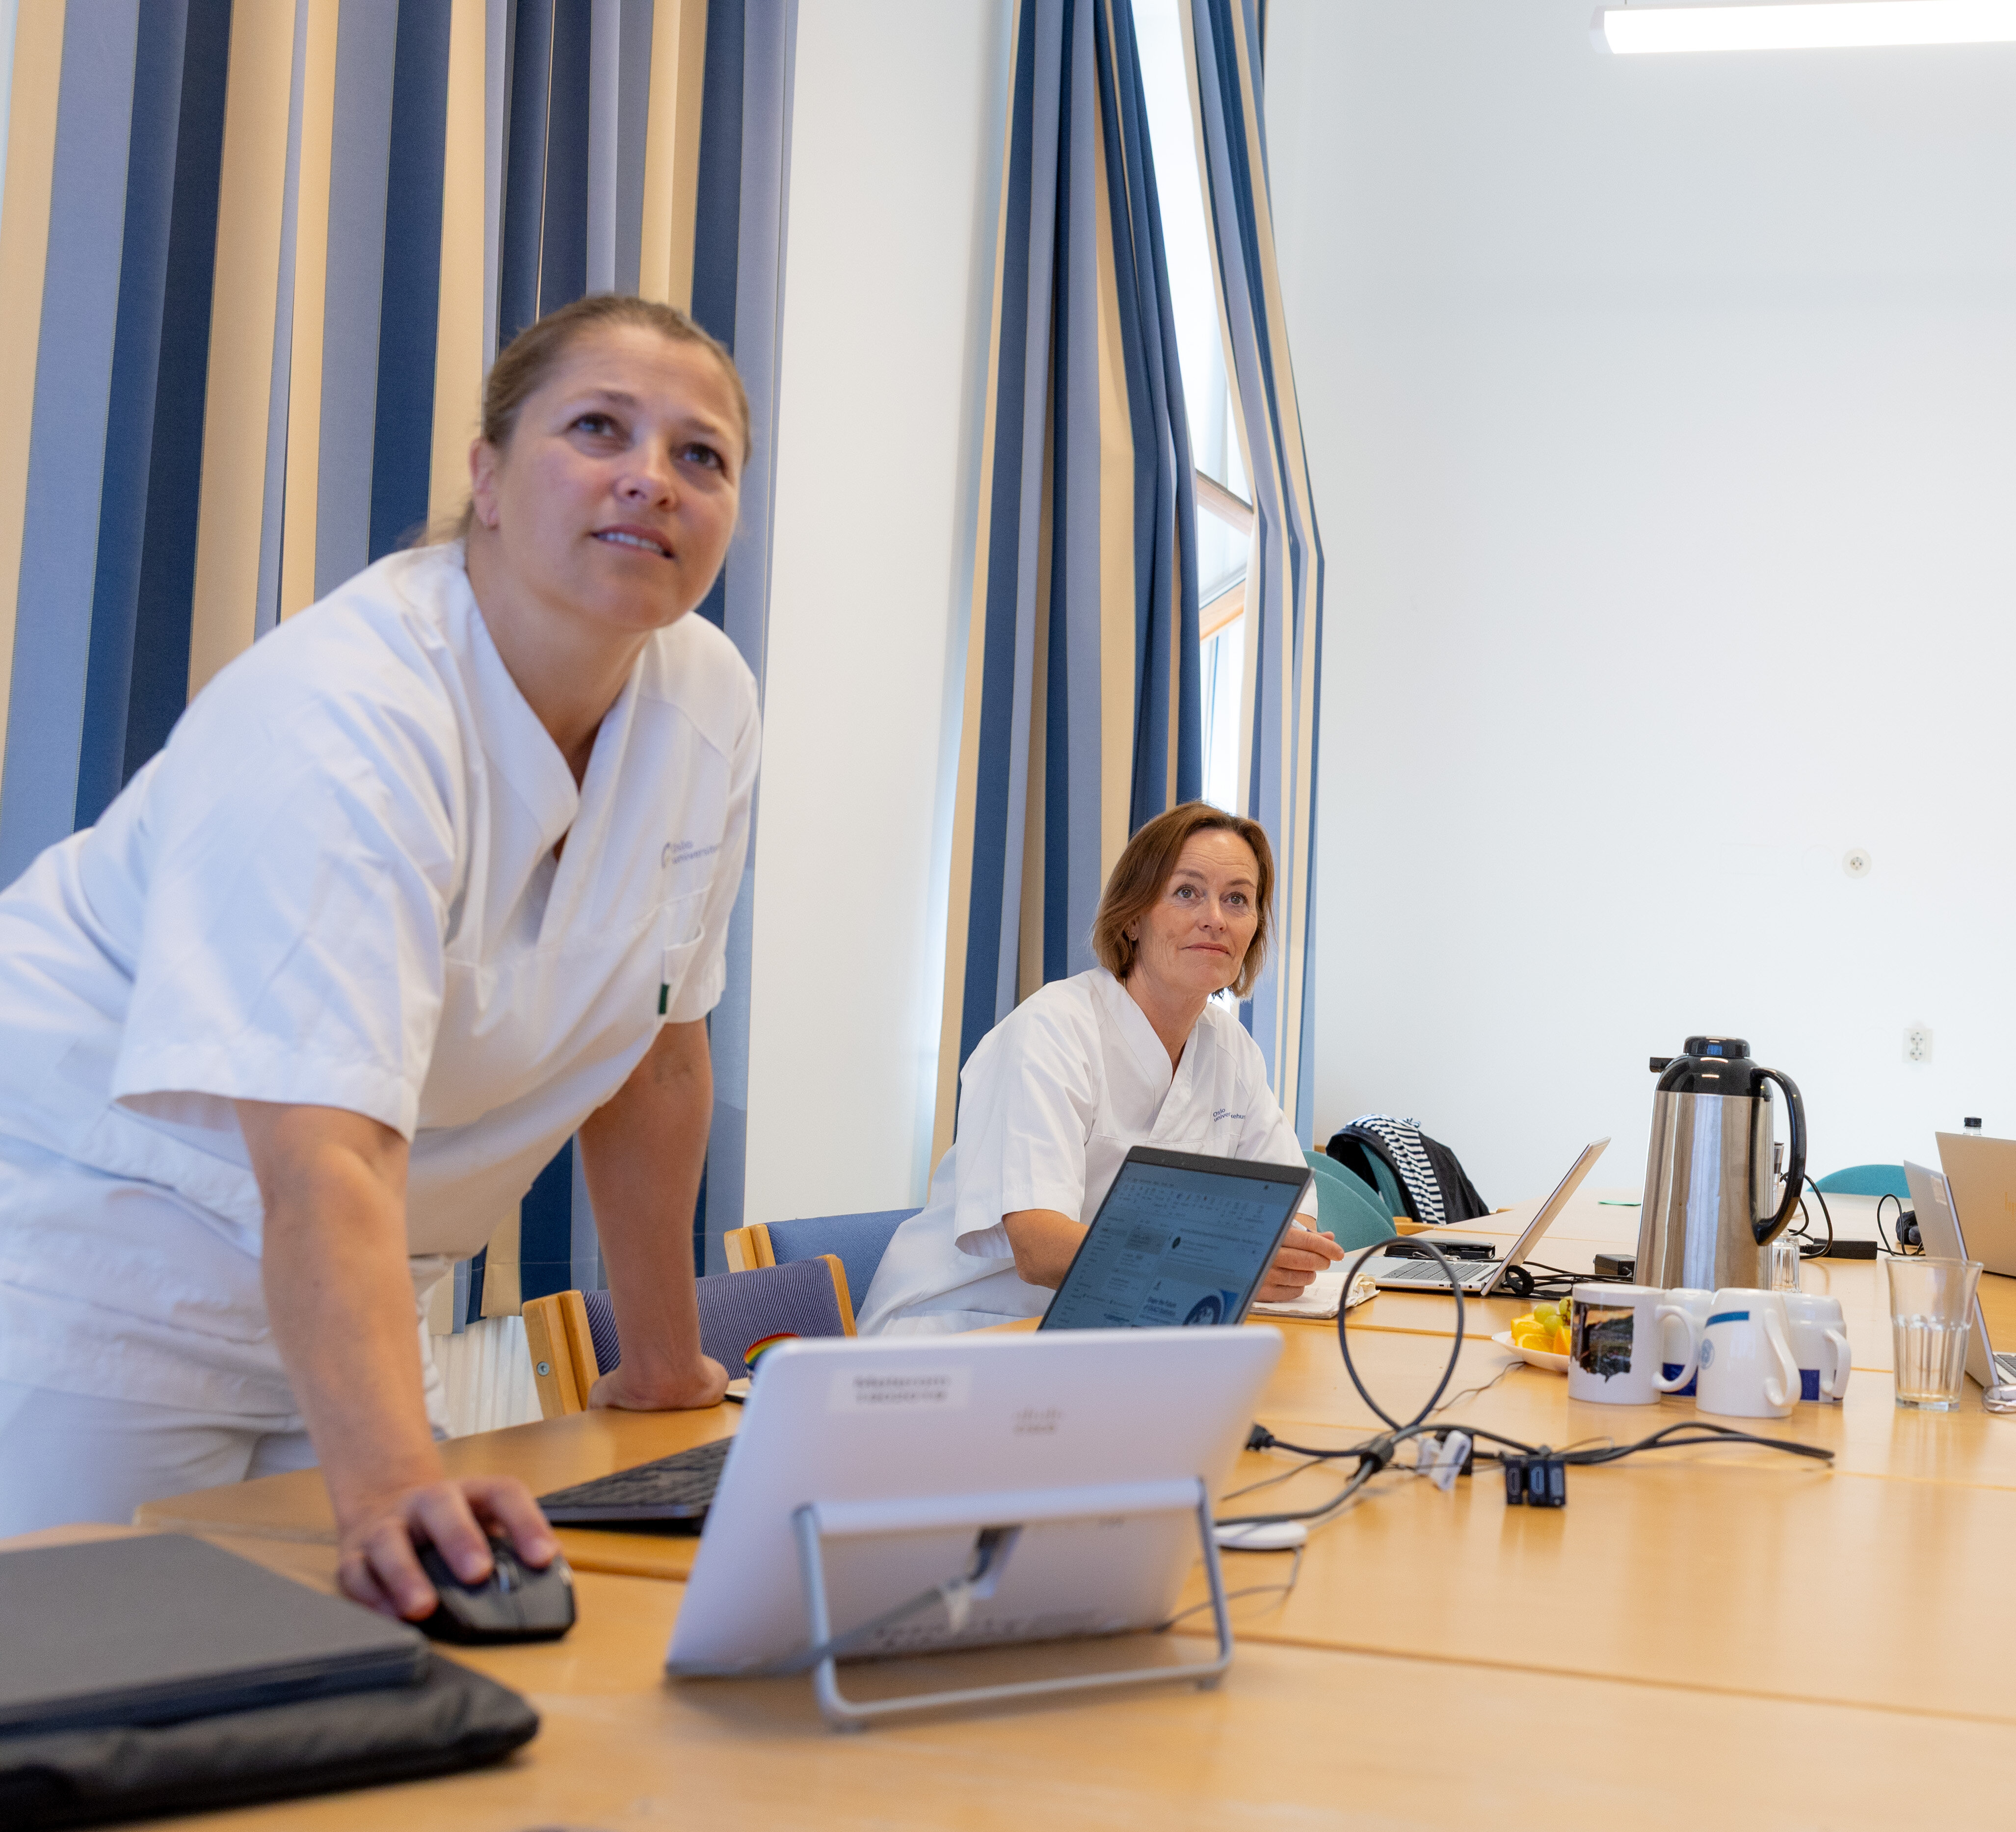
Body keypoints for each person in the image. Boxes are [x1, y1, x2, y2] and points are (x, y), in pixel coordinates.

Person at [0, 294, 756, 1622]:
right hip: (98, 1252)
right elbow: (322, 1153)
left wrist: (666, 1372)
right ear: (486, 477)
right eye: (598, 429)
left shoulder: (706, 696)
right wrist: (398, 1479)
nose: (652, 474)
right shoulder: (342, 715)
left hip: (354, 1282)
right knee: (80, 1706)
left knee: (384, 1683)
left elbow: (657, 1054)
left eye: (702, 455)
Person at [861, 802, 1339, 1334]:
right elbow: (1040, 1248)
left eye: (1238, 899)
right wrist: (1214, 1260)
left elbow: (1291, 1206)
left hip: (1117, 1327)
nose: (1216, 918)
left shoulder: (1232, 1050)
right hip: (965, 1332)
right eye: (1187, 892)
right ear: (1132, 916)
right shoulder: (1052, 1031)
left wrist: (1284, 1253)